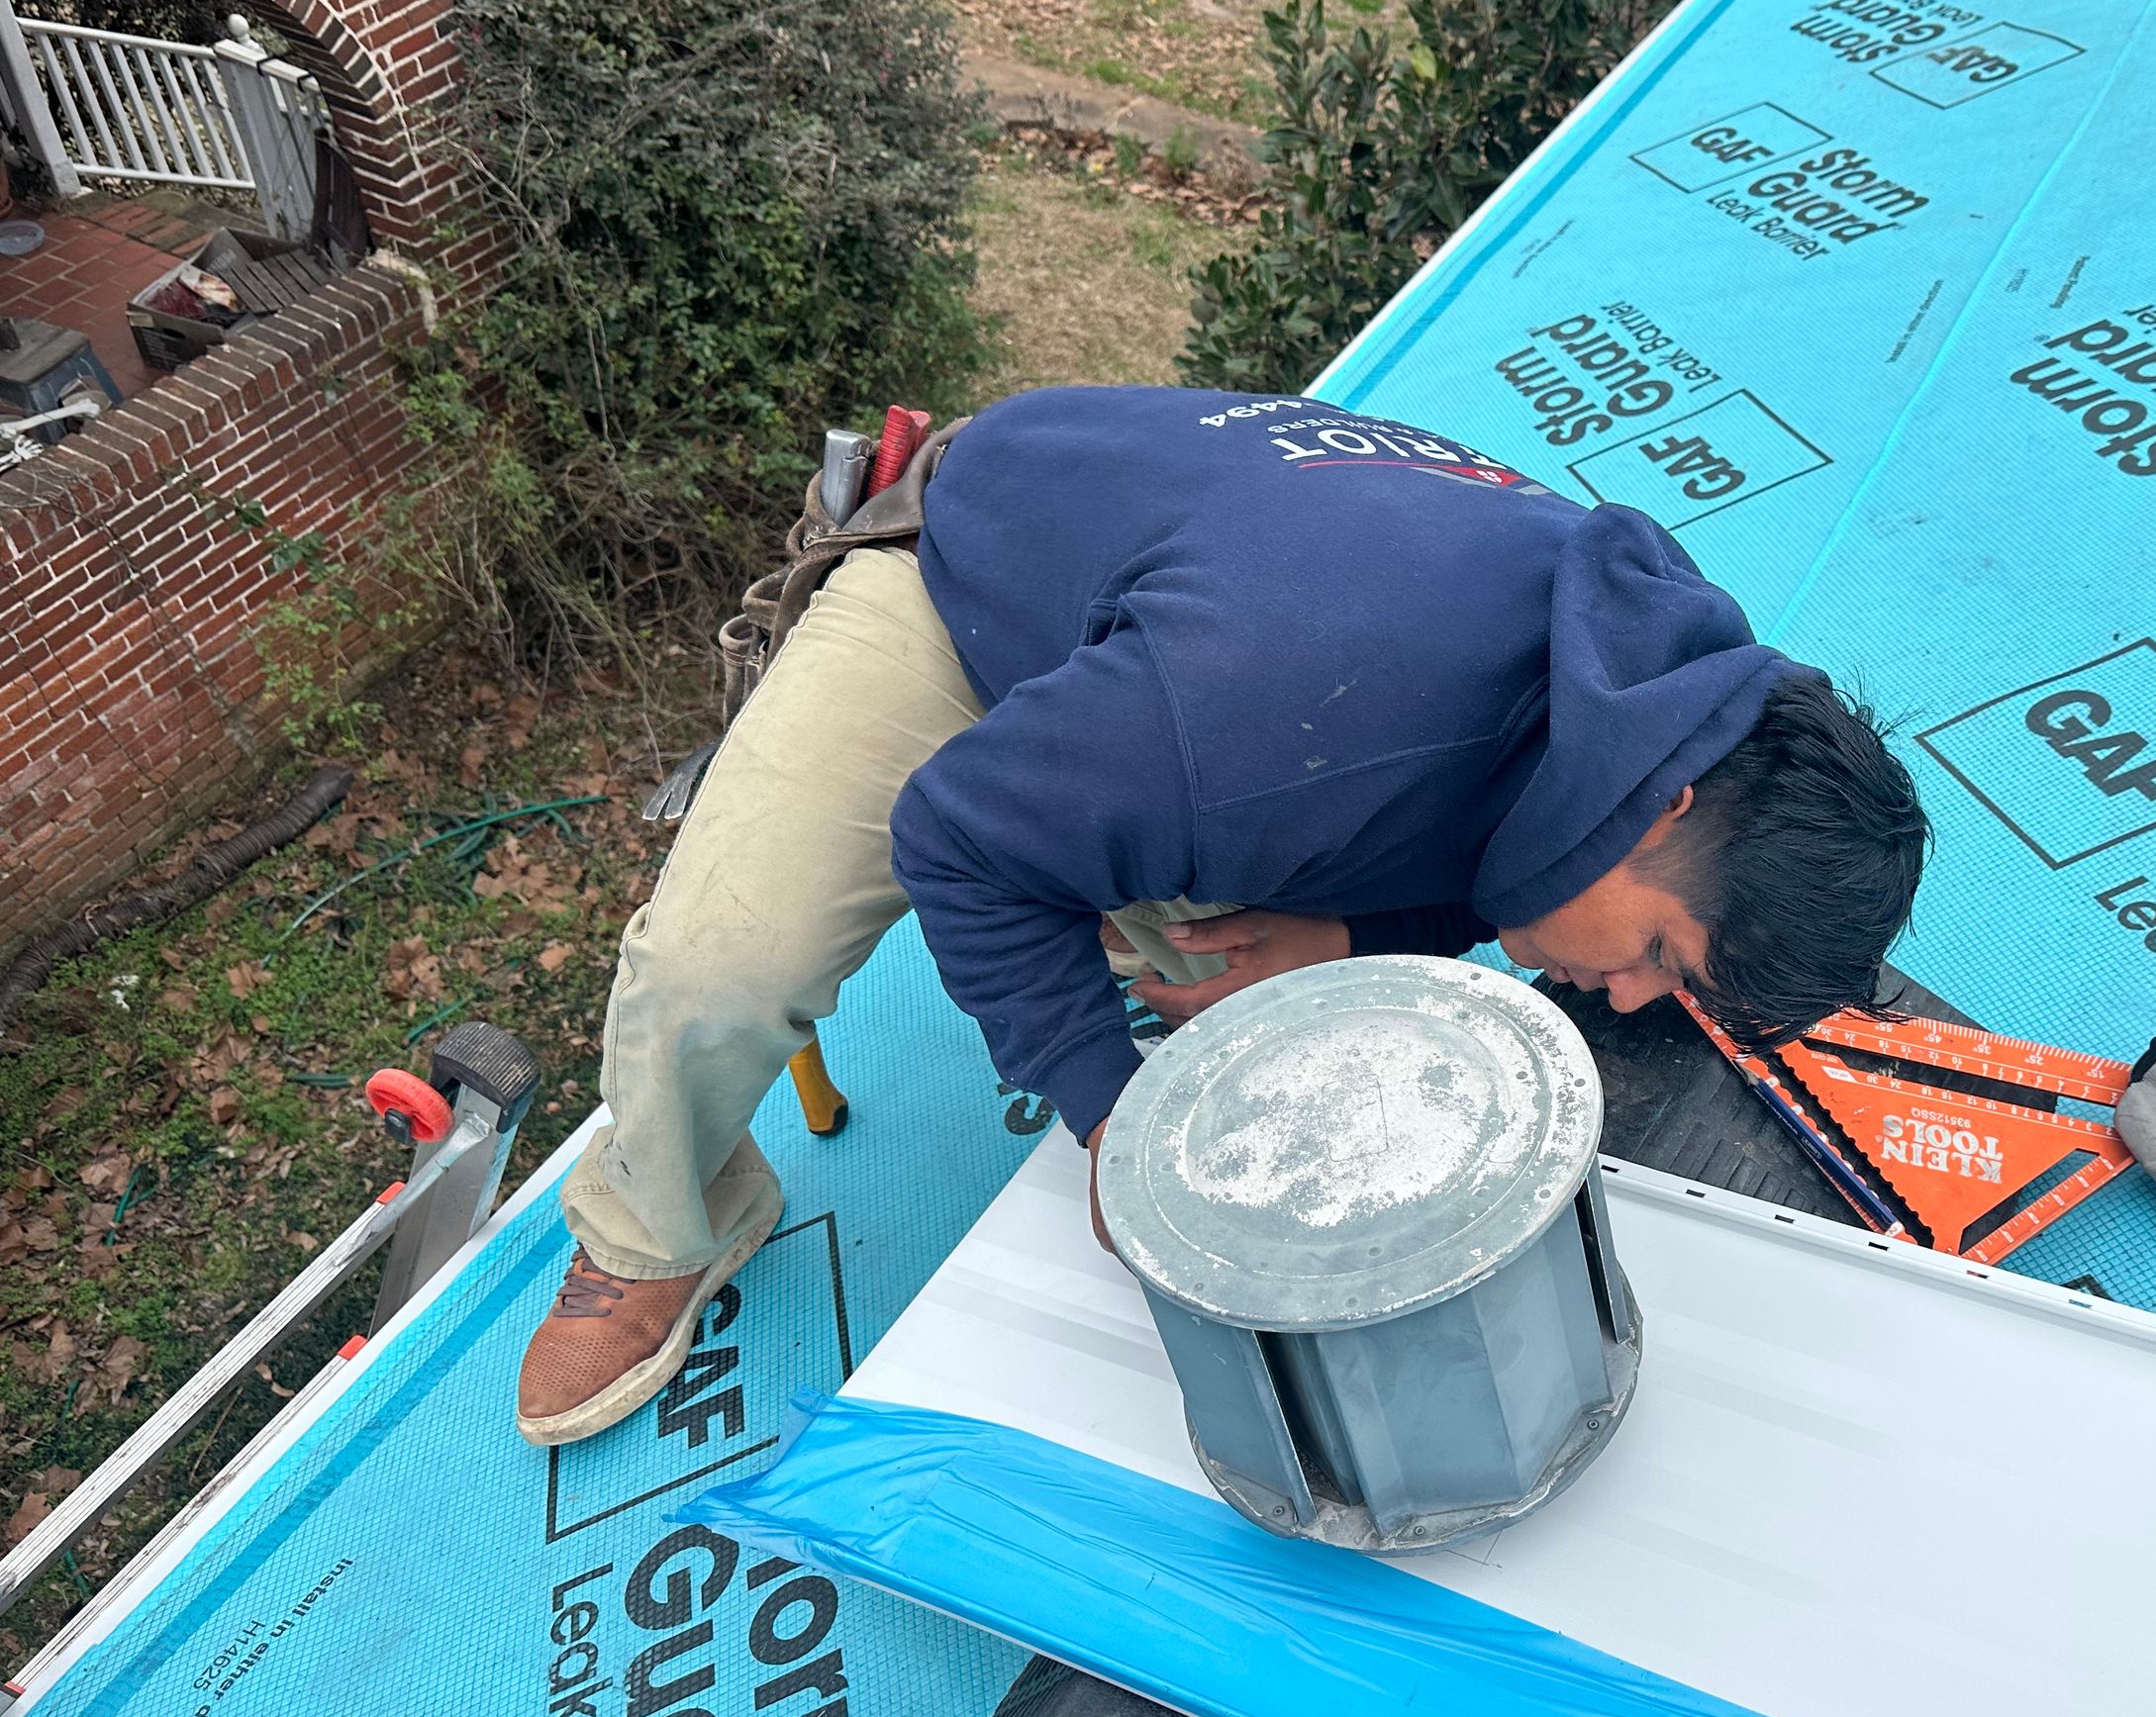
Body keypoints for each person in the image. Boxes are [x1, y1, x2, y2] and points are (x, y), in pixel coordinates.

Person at [512, 387, 1930, 1445]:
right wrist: (1104, 1108)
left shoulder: (1665, 687)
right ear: (1665, 805)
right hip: (971, 583)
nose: (1625, 999)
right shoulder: (1273, 724)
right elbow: (959, 832)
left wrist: (1353, 936)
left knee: (1274, 999)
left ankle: (1132, 823)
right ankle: (660, 1222)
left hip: (1190, 602)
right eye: (1661, 959)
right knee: (723, 963)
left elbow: (1498, 820)